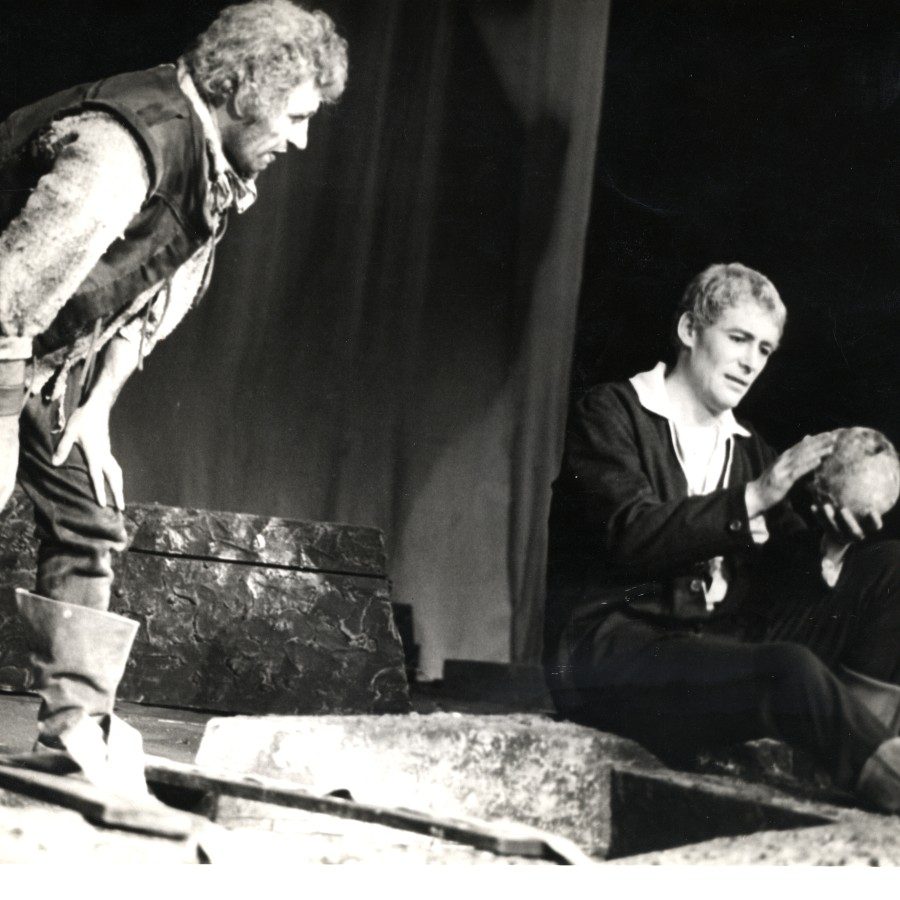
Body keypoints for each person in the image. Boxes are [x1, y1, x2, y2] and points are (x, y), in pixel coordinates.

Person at [0, 0, 347, 794]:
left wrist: (96, 411)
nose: (300, 138)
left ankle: (74, 730)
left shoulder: (216, 168)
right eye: (294, 115)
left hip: (40, 353)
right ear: (243, 88)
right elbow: (8, 295)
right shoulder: (126, 151)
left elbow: (148, 298)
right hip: (4, 333)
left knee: (89, 514)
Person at [544, 262, 900, 813]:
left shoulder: (748, 447)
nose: (751, 361)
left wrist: (830, 546)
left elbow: (787, 583)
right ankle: (884, 774)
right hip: (613, 654)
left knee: (891, 567)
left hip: (712, 644)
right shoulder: (611, 413)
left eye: (764, 348)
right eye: (738, 338)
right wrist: (754, 498)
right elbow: (629, 533)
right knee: (789, 670)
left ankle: (865, 748)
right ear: (689, 330)